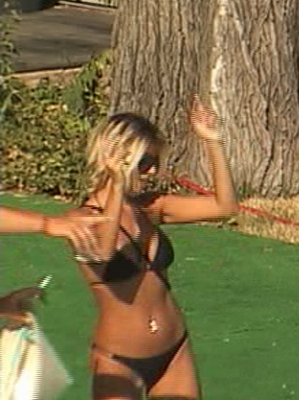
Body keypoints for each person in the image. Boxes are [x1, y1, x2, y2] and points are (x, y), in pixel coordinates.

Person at [65, 98, 238, 399]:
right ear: (117, 158)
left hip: (174, 350)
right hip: (119, 360)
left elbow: (225, 207)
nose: (153, 171)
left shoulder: (148, 208)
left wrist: (213, 141)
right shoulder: (80, 220)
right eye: (145, 162)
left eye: (156, 162)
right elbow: (103, 252)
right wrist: (116, 186)